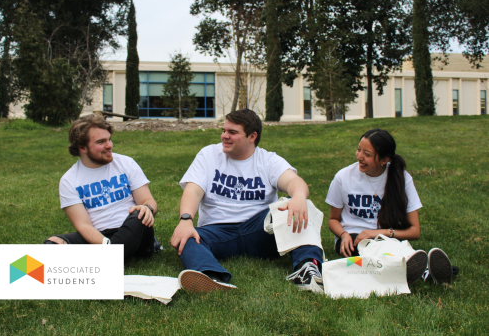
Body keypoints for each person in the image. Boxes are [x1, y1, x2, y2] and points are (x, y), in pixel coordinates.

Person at [0, 115, 159, 286]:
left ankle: (100, 261)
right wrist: (106, 246)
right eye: (101, 142)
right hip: (99, 237)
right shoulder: (69, 180)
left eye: (109, 139)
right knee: (54, 244)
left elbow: (148, 200)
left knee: (138, 213)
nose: (109, 145)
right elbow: (83, 226)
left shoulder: (125, 163)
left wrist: (148, 208)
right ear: (82, 148)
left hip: (135, 231)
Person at [170, 109, 324, 293]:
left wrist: (299, 197)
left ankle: (306, 268)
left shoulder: (267, 160)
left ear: (252, 136)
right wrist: (186, 220)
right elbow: (193, 191)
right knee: (187, 237)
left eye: (232, 132)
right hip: (218, 231)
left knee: (299, 204)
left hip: (260, 230)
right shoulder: (208, 155)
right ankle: (211, 277)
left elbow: (293, 181)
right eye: (224, 130)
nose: (224, 136)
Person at [326, 128, 456, 284]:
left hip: (387, 237)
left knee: (389, 247)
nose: (359, 157)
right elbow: (333, 219)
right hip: (353, 239)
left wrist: (380, 233)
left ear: (384, 160)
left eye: (367, 154)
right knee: (370, 249)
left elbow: (414, 231)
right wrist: (343, 235)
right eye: (359, 150)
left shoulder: (402, 179)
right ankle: (422, 271)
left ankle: (422, 270)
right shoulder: (343, 177)